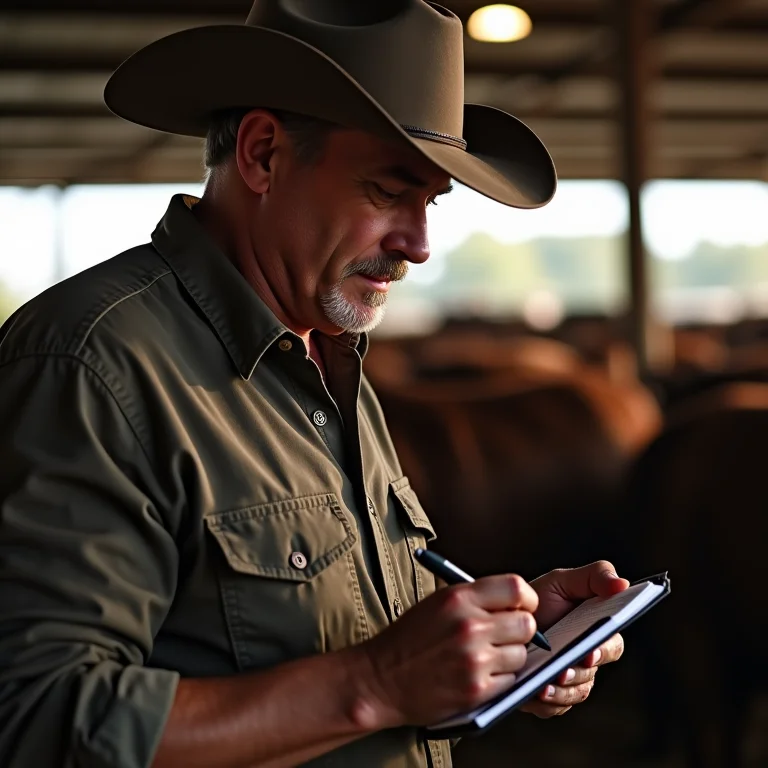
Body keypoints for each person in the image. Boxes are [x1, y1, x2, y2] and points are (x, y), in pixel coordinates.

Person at [0, 2, 628, 766]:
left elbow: (322, 621)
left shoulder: (328, 355)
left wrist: (509, 642)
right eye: (387, 191)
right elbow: (38, 720)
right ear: (263, 154)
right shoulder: (91, 364)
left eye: (429, 203)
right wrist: (376, 682)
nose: (420, 245)